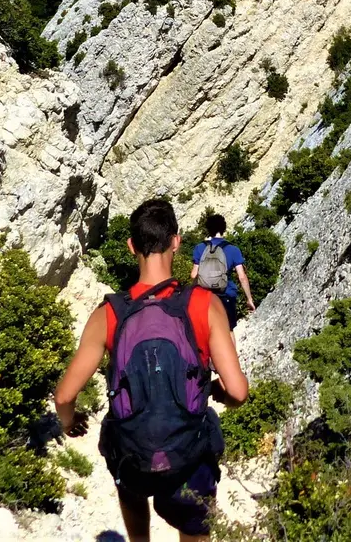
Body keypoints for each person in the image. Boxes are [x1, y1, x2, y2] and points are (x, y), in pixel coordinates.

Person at [55, 199, 248, 542]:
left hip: (133, 458)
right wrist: (214, 391)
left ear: (131, 247)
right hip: (188, 453)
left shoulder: (109, 313)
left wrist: (69, 422)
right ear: (177, 241)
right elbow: (238, 392)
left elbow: (64, 396)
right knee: (194, 523)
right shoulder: (204, 305)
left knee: (119, 446)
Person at [190, 214, 255, 331]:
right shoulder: (233, 249)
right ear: (224, 228)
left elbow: (194, 275)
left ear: (208, 229)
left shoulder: (200, 248)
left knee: (206, 331)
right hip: (227, 295)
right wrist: (249, 299)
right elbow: (242, 277)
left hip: (205, 297)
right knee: (228, 331)